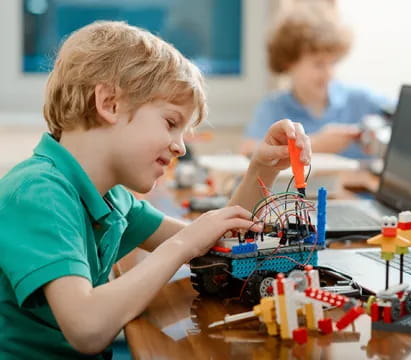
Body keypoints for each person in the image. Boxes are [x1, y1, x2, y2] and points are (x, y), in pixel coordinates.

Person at [0, 21, 311, 359]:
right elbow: (87, 328)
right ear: (110, 104)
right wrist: (181, 244)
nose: (180, 146)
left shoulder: (110, 197)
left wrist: (262, 168)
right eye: (171, 123)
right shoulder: (38, 193)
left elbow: (214, 246)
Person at [241, 1, 392, 159]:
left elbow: (406, 118)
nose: (329, 73)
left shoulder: (361, 100)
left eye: (333, 63)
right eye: (318, 64)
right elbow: (247, 153)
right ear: (289, 63)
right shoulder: (274, 108)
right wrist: (317, 144)